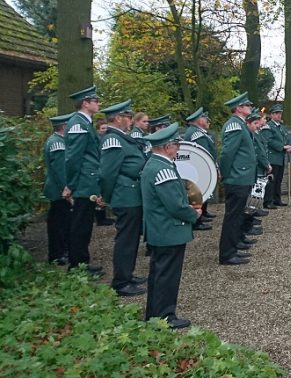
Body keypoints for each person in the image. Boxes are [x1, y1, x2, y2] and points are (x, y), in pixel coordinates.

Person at [141, 123, 202, 329]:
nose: (177, 149)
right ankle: (165, 316)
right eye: (176, 145)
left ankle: (154, 315)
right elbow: (175, 205)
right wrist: (193, 214)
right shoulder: (163, 169)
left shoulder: (154, 165)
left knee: (159, 273)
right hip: (168, 230)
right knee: (167, 275)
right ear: (167, 147)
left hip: (161, 230)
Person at [99, 100, 148, 297]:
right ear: (118, 118)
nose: (130, 120)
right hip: (125, 195)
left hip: (131, 193)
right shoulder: (113, 139)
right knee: (126, 240)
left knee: (131, 238)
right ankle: (121, 282)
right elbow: (107, 173)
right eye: (127, 117)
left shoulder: (122, 137)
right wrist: (109, 197)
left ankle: (127, 274)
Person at [64, 85, 105, 274]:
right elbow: (74, 157)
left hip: (88, 179)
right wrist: (71, 184)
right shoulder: (78, 123)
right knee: (80, 225)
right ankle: (77, 265)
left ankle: (82, 262)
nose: (98, 103)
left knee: (85, 224)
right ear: (85, 103)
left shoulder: (84, 122)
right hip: (82, 181)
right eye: (95, 101)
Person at [218, 92, 256, 266]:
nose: (250, 107)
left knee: (238, 214)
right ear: (239, 108)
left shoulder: (240, 124)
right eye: (247, 105)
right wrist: (226, 173)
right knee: (232, 217)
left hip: (242, 177)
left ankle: (234, 247)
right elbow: (227, 154)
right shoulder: (234, 125)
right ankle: (227, 254)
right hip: (237, 177)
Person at [43, 112, 73, 266]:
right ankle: (57, 254)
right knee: (58, 224)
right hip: (58, 190)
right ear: (64, 127)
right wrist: (66, 189)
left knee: (62, 222)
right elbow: (60, 170)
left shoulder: (58, 141)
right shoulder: (57, 143)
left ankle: (62, 251)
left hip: (59, 189)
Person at [261, 104, 291, 207]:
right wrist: (283, 147)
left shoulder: (281, 127)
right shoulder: (268, 126)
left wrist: (288, 146)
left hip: (280, 157)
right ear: (271, 115)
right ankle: (268, 201)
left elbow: (286, 139)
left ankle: (276, 199)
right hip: (272, 157)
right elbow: (269, 140)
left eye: (280, 113)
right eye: (276, 113)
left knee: (278, 180)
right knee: (271, 180)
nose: (279, 115)